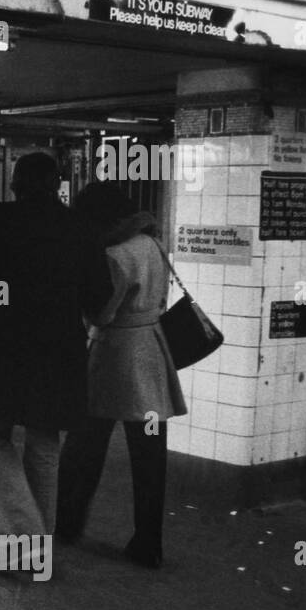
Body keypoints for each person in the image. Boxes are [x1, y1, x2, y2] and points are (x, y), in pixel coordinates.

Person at [0, 153, 111, 574]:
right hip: (57, 353)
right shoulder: (79, 229)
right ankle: (37, 553)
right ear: (58, 185)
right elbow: (100, 296)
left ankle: (27, 544)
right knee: (44, 445)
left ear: (14, 184)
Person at [56, 183, 187, 568]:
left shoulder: (113, 255)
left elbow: (103, 313)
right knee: (149, 456)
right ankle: (149, 543)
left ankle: (67, 521)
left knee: (85, 443)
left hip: (115, 359)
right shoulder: (152, 245)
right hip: (152, 354)